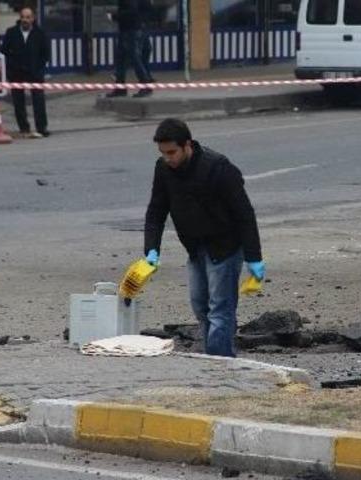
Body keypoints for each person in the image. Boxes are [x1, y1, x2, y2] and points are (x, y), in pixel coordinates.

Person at [144, 118, 265, 357]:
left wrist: (254, 258)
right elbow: (156, 212)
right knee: (201, 306)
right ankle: (218, 356)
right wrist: (151, 250)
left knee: (220, 310)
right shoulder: (164, 169)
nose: (168, 158)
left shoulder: (218, 168)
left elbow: (244, 214)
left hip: (225, 247)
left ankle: (219, 364)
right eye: (163, 153)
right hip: (195, 248)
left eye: (172, 152)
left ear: (187, 145)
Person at [0, 7, 49, 138]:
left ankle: (41, 127)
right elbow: (4, 52)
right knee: (18, 102)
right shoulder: (11, 32)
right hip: (17, 72)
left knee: (39, 101)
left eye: (28, 17)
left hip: (35, 72)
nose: (25, 20)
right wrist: (10, 69)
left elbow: (45, 54)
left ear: (33, 18)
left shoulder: (40, 33)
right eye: (23, 17)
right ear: (20, 18)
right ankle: (24, 127)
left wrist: (40, 69)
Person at [104, 0, 153, 98]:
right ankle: (120, 88)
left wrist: (115, 17)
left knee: (134, 58)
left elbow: (132, 11)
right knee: (121, 59)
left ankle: (145, 84)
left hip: (131, 30)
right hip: (128, 29)